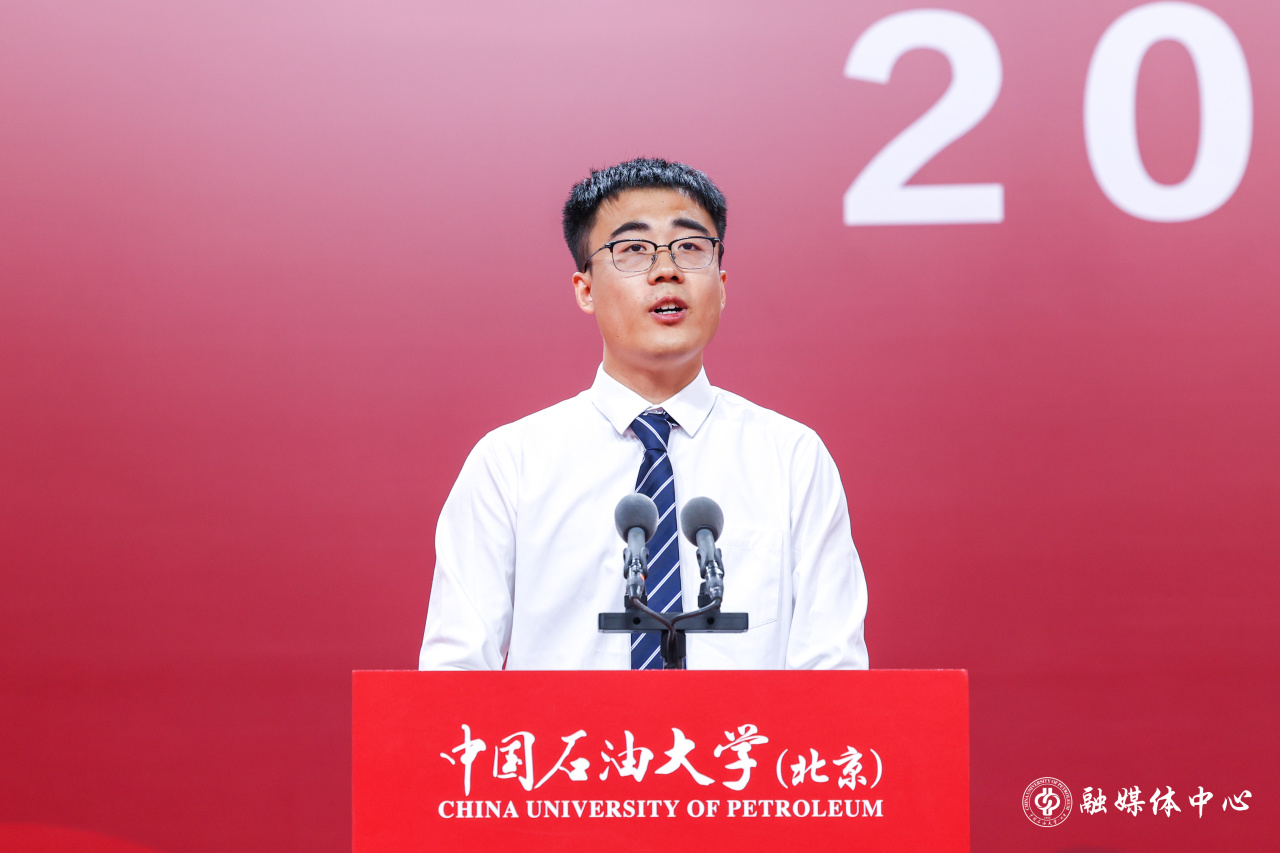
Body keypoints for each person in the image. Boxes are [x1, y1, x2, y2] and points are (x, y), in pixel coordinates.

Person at [419, 158, 867, 670]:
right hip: (569, 729)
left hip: (743, 728)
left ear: (721, 285)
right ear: (585, 288)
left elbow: (834, 670)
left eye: (690, 247)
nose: (666, 270)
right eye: (633, 249)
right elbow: (453, 673)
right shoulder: (510, 464)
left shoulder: (790, 458)